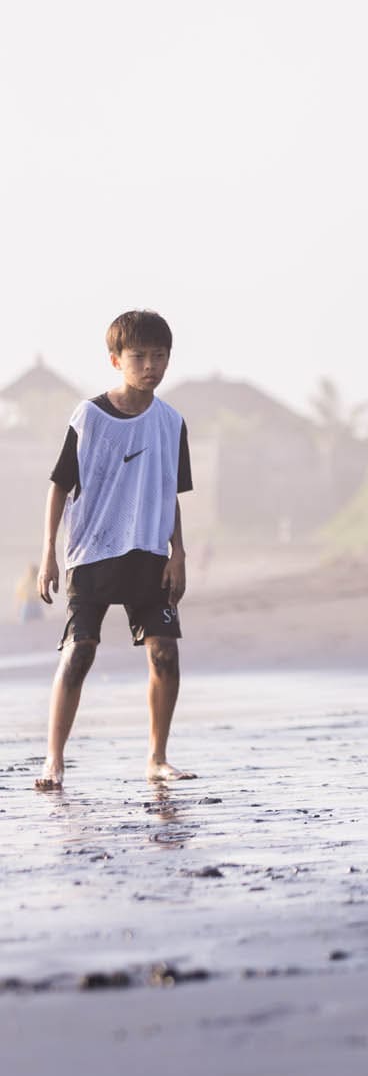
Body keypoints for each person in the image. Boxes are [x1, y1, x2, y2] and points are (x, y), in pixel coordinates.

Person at [34, 310, 193, 790]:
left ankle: (157, 758)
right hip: (92, 551)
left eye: (159, 356)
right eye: (139, 356)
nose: (151, 365)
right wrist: (48, 554)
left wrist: (178, 553)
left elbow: (170, 492)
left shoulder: (171, 422)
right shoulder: (89, 417)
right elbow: (59, 486)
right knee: (80, 650)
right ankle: (53, 760)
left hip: (149, 551)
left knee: (164, 654)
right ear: (115, 360)